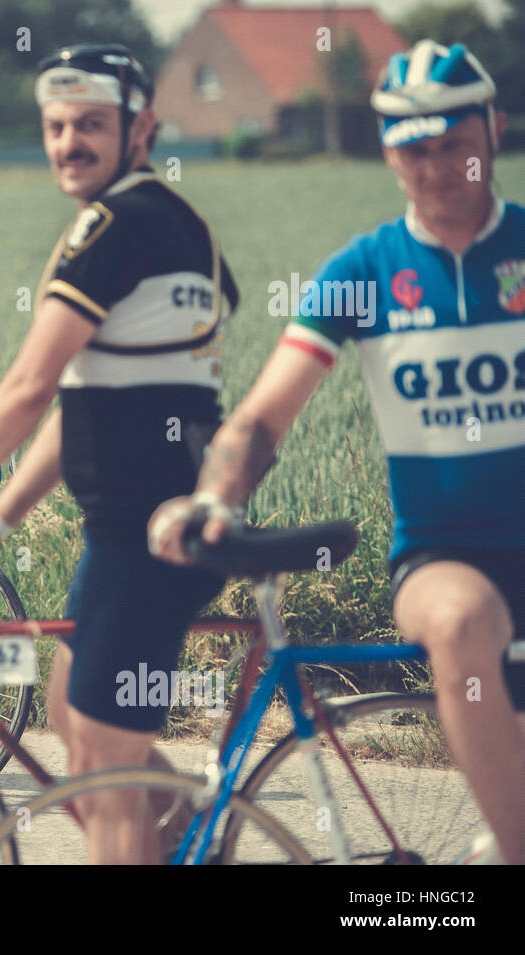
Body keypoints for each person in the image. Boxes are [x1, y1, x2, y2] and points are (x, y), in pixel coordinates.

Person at [148, 40, 525, 865]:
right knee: (464, 619)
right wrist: (216, 496)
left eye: (454, 144)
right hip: (444, 559)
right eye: (413, 149)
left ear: (493, 131)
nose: (435, 168)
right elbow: (259, 419)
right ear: (388, 152)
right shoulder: (365, 270)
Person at [0, 44, 239, 863]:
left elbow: (29, 386)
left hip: (150, 535)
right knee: (76, 725)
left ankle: (164, 836)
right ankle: (189, 830)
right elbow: (80, 407)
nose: (68, 142)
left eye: (90, 125)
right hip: (132, 528)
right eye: (55, 126)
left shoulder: (110, 226)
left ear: (140, 128)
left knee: (104, 782)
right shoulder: (180, 220)